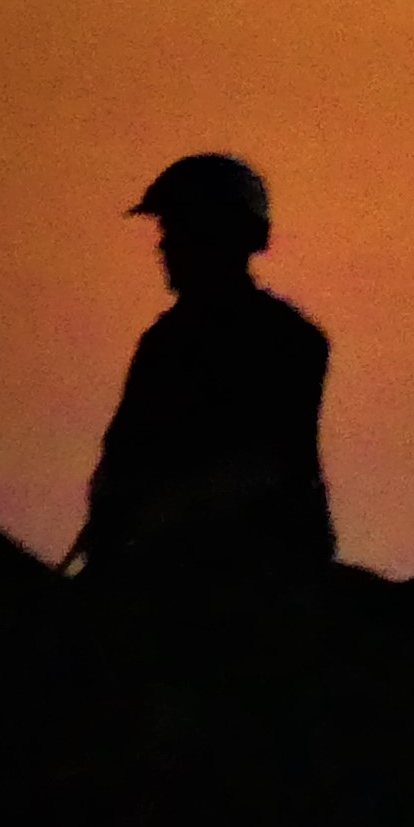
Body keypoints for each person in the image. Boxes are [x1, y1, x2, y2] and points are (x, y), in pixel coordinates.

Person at [74, 153, 335, 589]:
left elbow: (269, 462)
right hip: (164, 550)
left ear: (224, 236)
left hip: (266, 560)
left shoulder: (289, 341)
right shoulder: (162, 342)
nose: (164, 247)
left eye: (177, 230)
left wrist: (160, 512)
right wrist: (109, 510)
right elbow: (123, 449)